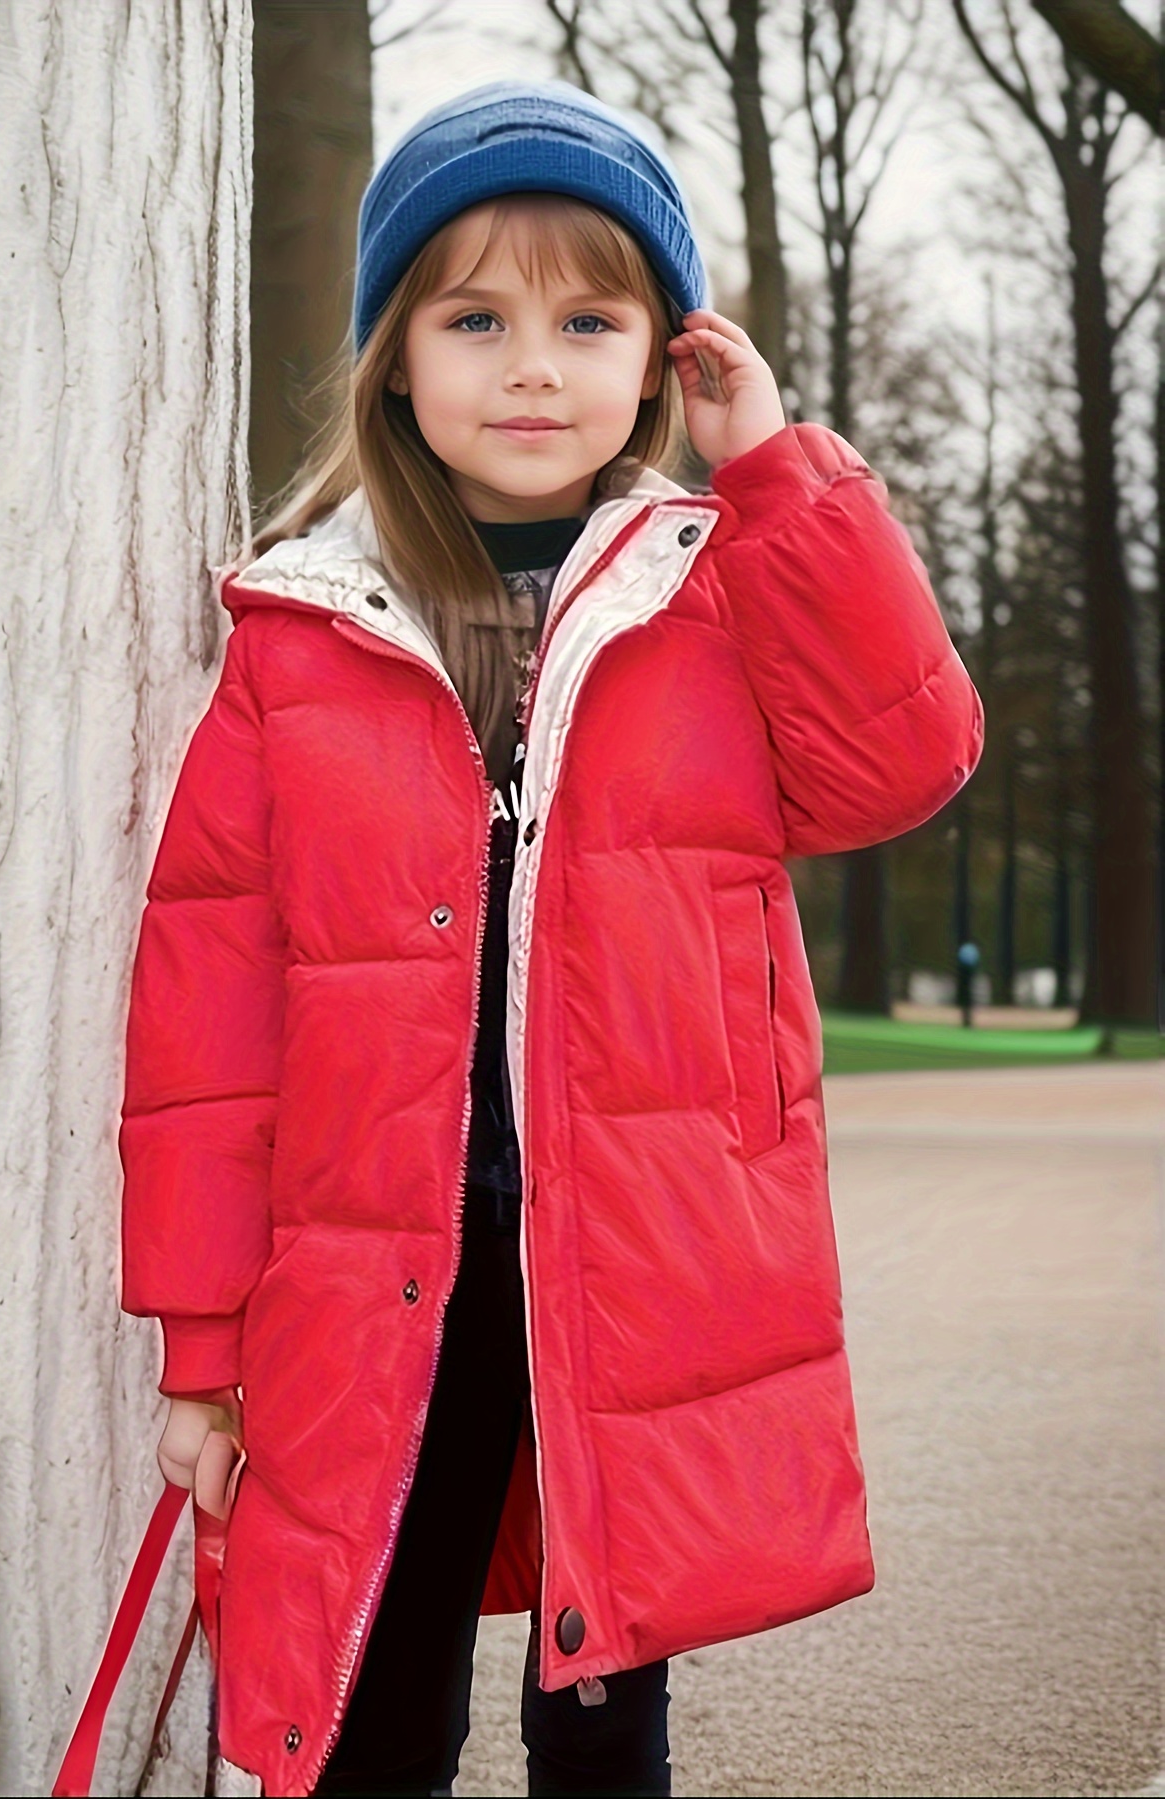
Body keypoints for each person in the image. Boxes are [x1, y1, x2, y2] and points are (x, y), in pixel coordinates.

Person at [118, 79, 983, 1799]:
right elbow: (207, 1027)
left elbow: (903, 758)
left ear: (663, 355)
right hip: (385, 1279)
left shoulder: (713, 588)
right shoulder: (304, 633)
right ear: (396, 359)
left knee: (602, 1707)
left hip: (626, 1261)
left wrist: (779, 472)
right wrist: (200, 1359)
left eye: (588, 319)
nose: (532, 364)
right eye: (476, 318)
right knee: (375, 1684)